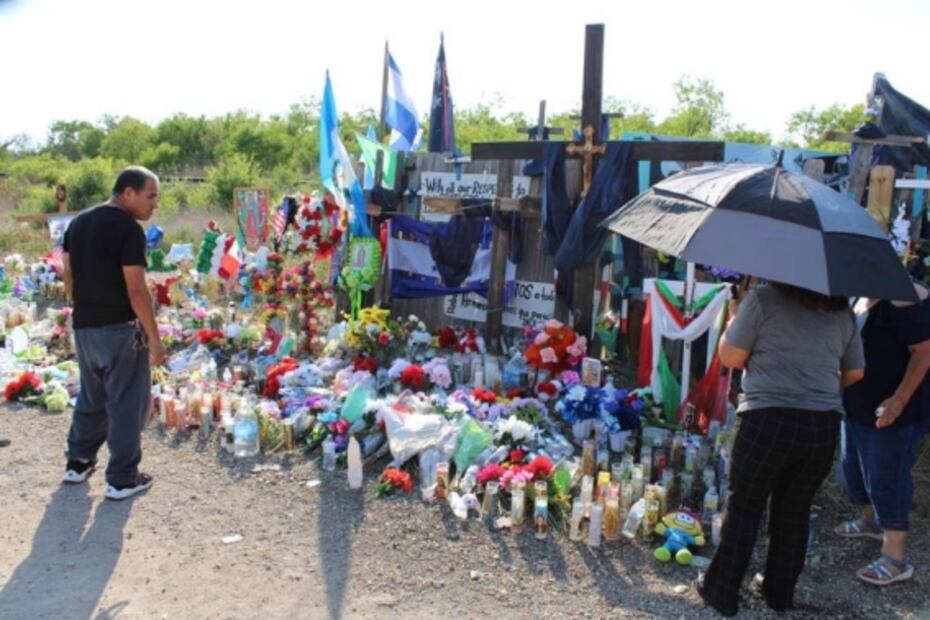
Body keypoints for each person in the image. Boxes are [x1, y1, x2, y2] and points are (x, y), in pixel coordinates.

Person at [698, 282, 864, 616]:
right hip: (822, 424)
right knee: (795, 510)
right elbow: (856, 372)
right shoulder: (841, 309)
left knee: (745, 505)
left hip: (767, 417)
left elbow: (730, 356)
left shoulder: (764, 297)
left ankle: (722, 591)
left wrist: (733, 322)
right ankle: (779, 594)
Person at [61, 166, 166, 501]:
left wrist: (83, 308)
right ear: (127, 193)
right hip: (120, 329)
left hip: (86, 326)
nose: (154, 205)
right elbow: (137, 290)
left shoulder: (79, 222)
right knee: (126, 402)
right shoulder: (127, 229)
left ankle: (78, 463)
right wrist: (154, 337)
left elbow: (68, 275)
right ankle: (122, 478)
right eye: (150, 196)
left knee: (92, 397)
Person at [835, 281, 930, 585]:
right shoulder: (859, 294)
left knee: (886, 478)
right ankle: (870, 520)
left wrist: (899, 401)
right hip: (857, 405)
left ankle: (895, 558)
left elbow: (925, 353)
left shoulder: (905, 297)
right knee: (853, 470)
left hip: (895, 411)